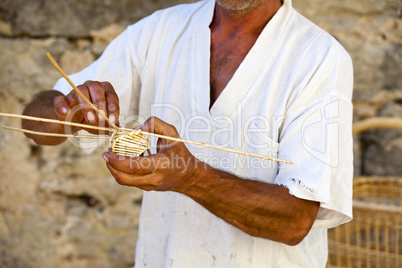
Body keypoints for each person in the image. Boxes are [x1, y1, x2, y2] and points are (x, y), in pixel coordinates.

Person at [22, 0, 354, 266]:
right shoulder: (160, 31)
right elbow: (33, 124)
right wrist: (69, 113)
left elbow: (295, 222)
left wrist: (191, 177)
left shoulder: (319, 58)